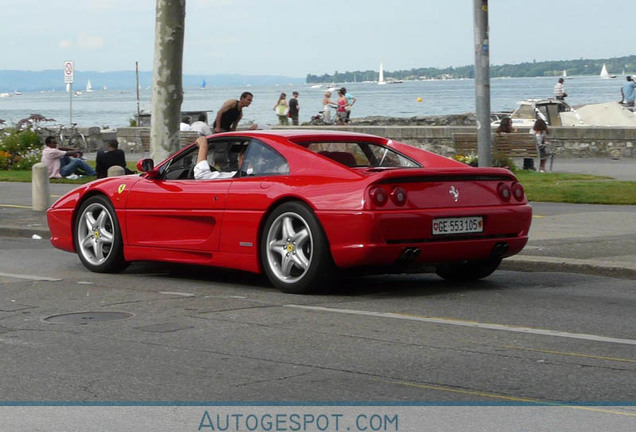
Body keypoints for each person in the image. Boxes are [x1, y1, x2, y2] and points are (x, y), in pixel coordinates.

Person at [212, 91, 253, 170]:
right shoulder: (232, 103)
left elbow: (234, 125)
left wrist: (234, 133)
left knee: (233, 150)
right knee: (221, 151)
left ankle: (234, 169)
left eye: (251, 101)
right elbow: (219, 112)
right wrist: (217, 127)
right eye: (248, 100)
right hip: (220, 129)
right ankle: (224, 169)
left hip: (227, 130)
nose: (249, 102)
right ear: (242, 98)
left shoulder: (240, 113)